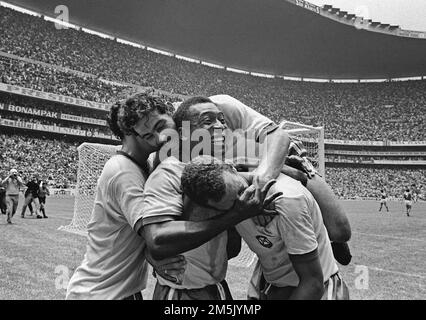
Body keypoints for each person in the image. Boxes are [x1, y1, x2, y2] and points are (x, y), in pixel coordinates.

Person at [142, 96, 350, 300]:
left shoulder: (227, 110)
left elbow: (279, 137)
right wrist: (152, 254)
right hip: (245, 283)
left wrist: (262, 184)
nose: (219, 126)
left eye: (221, 120)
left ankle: (330, 239)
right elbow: (158, 236)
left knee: (339, 230)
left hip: (264, 164)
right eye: (153, 133)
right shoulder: (169, 167)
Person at [66, 92, 186, 299]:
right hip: (101, 293)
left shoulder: (144, 165)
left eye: (160, 127)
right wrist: (233, 215)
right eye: (149, 134)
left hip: (122, 290)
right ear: (130, 133)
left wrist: (150, 255)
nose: (160, 138)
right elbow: (157, 238)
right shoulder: (123, 171)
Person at [181, 157, 349, 300]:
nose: (248, 199)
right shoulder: (228, 205)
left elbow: (313, 283)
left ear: (234, 170)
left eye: (241, 190)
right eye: (234, 204)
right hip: (274, 285)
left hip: (317, 290)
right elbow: (232, 249)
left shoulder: (287, 200)